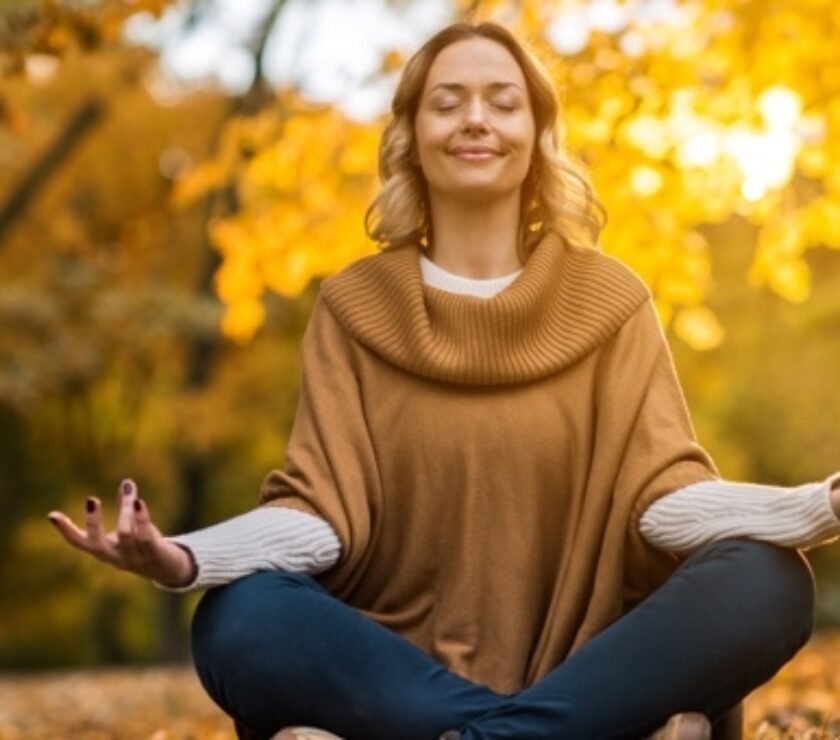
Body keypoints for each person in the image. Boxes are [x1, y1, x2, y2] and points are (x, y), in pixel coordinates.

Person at [48, 20, 840, 740]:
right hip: (397, 681)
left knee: (767, 578)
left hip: (588, 672)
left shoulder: (610, 299)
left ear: (536, 133)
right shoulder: (355, 305)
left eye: (503, 102)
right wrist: (182, 559)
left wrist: (817, 506)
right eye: (447, 102)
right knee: (238, 616)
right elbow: (321, 515)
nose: (475, 120)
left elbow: (664, 499)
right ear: (411, 135)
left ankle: (507, 732)